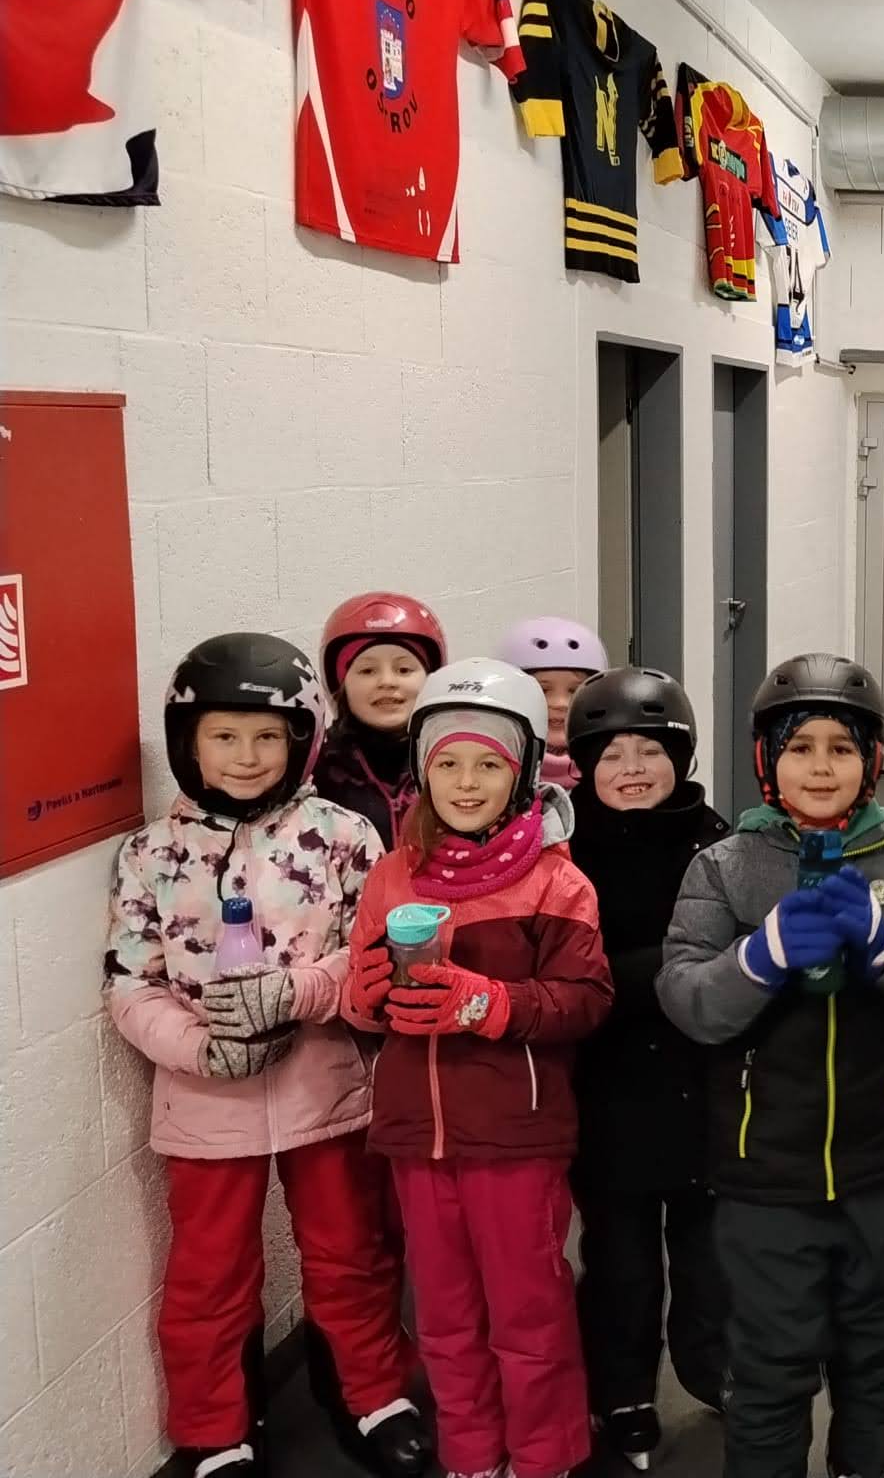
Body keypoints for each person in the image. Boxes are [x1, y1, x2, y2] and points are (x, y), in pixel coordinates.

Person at [104, 633, 425, 1478]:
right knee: (209, 1272)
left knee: (351, 1249)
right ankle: (214, 1427)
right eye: (223, 736)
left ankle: (370, 1393)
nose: (245, 757)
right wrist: (199, 1049)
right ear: (188, 742)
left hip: (326, 1090)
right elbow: (130, 982)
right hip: (205, 1103)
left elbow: (373, 952)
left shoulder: (344, 835)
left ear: (301, 741)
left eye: (266, 737)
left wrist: (298, 992)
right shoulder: (151, 854)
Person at [657, 653, 884, 1478]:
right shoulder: (724, 864)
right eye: (800, 747)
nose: (822, 766)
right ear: (767, 760)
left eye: (842, 748)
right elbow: (687, 998)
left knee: (877, 1353)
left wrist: (881, 942)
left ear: (871, 761)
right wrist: (759, 956)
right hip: (764, 1177)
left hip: (879, 1167)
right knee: (770, 1365)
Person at [342, 658, 613, 1478]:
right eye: (449, 763)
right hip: (415, 1137)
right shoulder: (392, 874)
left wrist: (489, 1003)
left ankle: (544, 1456)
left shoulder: (557, 880)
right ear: (423, 770)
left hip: (515, 1135)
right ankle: (470, 1454)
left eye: (489, 765)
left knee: (527, 1312)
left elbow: (585, 1001)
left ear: (523, 772)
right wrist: (365, 994)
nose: (466, 783)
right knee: (445, 1316)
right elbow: (364, 1011)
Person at [564, 667, 733, 1470]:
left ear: (682, 757)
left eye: (650, 750)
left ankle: (711, 1366)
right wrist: (675, 970)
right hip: (607, 1095)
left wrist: (660, 974)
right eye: (611, 754)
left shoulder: (720, 846)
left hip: (706, 1089)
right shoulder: (566, 854)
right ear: (584, 766)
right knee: (620, 1264)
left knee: (709, 1256)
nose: (631, 768)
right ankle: (623, 1390)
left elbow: (740, 967)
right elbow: (572, 977)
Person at [314, 591, 448, 848]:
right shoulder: (315, 771)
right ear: (340, 686)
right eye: (367, 670)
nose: (387, 682)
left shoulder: (456, 758)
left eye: (404, 669)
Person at [497, 615, 609, 790]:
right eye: (543, 690)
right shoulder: (491, 770)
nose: (560, 703)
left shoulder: (615, 770)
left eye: (575, 690)